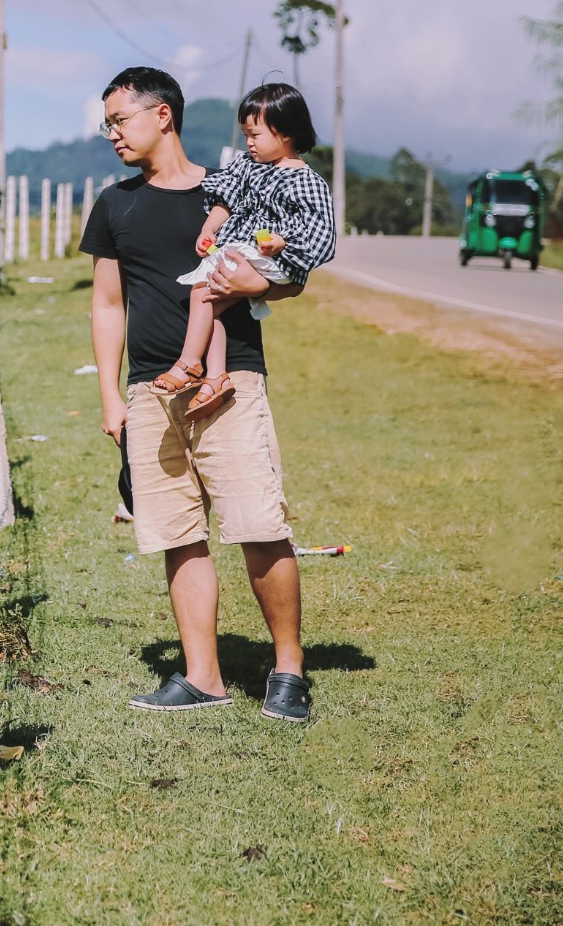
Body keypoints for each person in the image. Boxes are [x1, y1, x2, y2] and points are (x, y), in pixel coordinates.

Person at [79, 67, 312, 721]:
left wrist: (252, 287)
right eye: (108, 123)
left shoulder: (232, 189)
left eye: (120, 119)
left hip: (230, 377)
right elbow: (106, 305)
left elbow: (288, 274)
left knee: (259, 523)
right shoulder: (114, 203)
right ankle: (202, 675)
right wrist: (111, 396)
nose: (112, 133)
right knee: (178, 532)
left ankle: (289, 668)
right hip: (151, 389)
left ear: (163, 116)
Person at [150, 83, 336, 422]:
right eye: (245, 134)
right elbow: (226, 199)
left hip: (279, 259)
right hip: (243, 250)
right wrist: (209, 228)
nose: (248, 142)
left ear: (286, 134)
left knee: (203, 292)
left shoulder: (306, 182)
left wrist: (281, 241)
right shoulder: (247, 166)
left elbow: (318, 230)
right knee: (211, 301)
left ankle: (189, 363)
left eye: (256, 135)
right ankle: (215, 377)